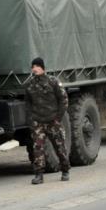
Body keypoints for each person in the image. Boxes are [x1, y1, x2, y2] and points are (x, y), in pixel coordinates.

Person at [25, 57, 70, 185]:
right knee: (38, 148)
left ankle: (65, 170)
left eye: (37, 66)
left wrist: (58, 119)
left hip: (52, 121)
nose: (35, 69)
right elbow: (27, 103)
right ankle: (39, 175)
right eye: (33, 67)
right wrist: (31, 120)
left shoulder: (53, 81)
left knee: (59, 147)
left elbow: (63, 100)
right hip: (38, 122)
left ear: (42, 67)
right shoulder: (30, 84)